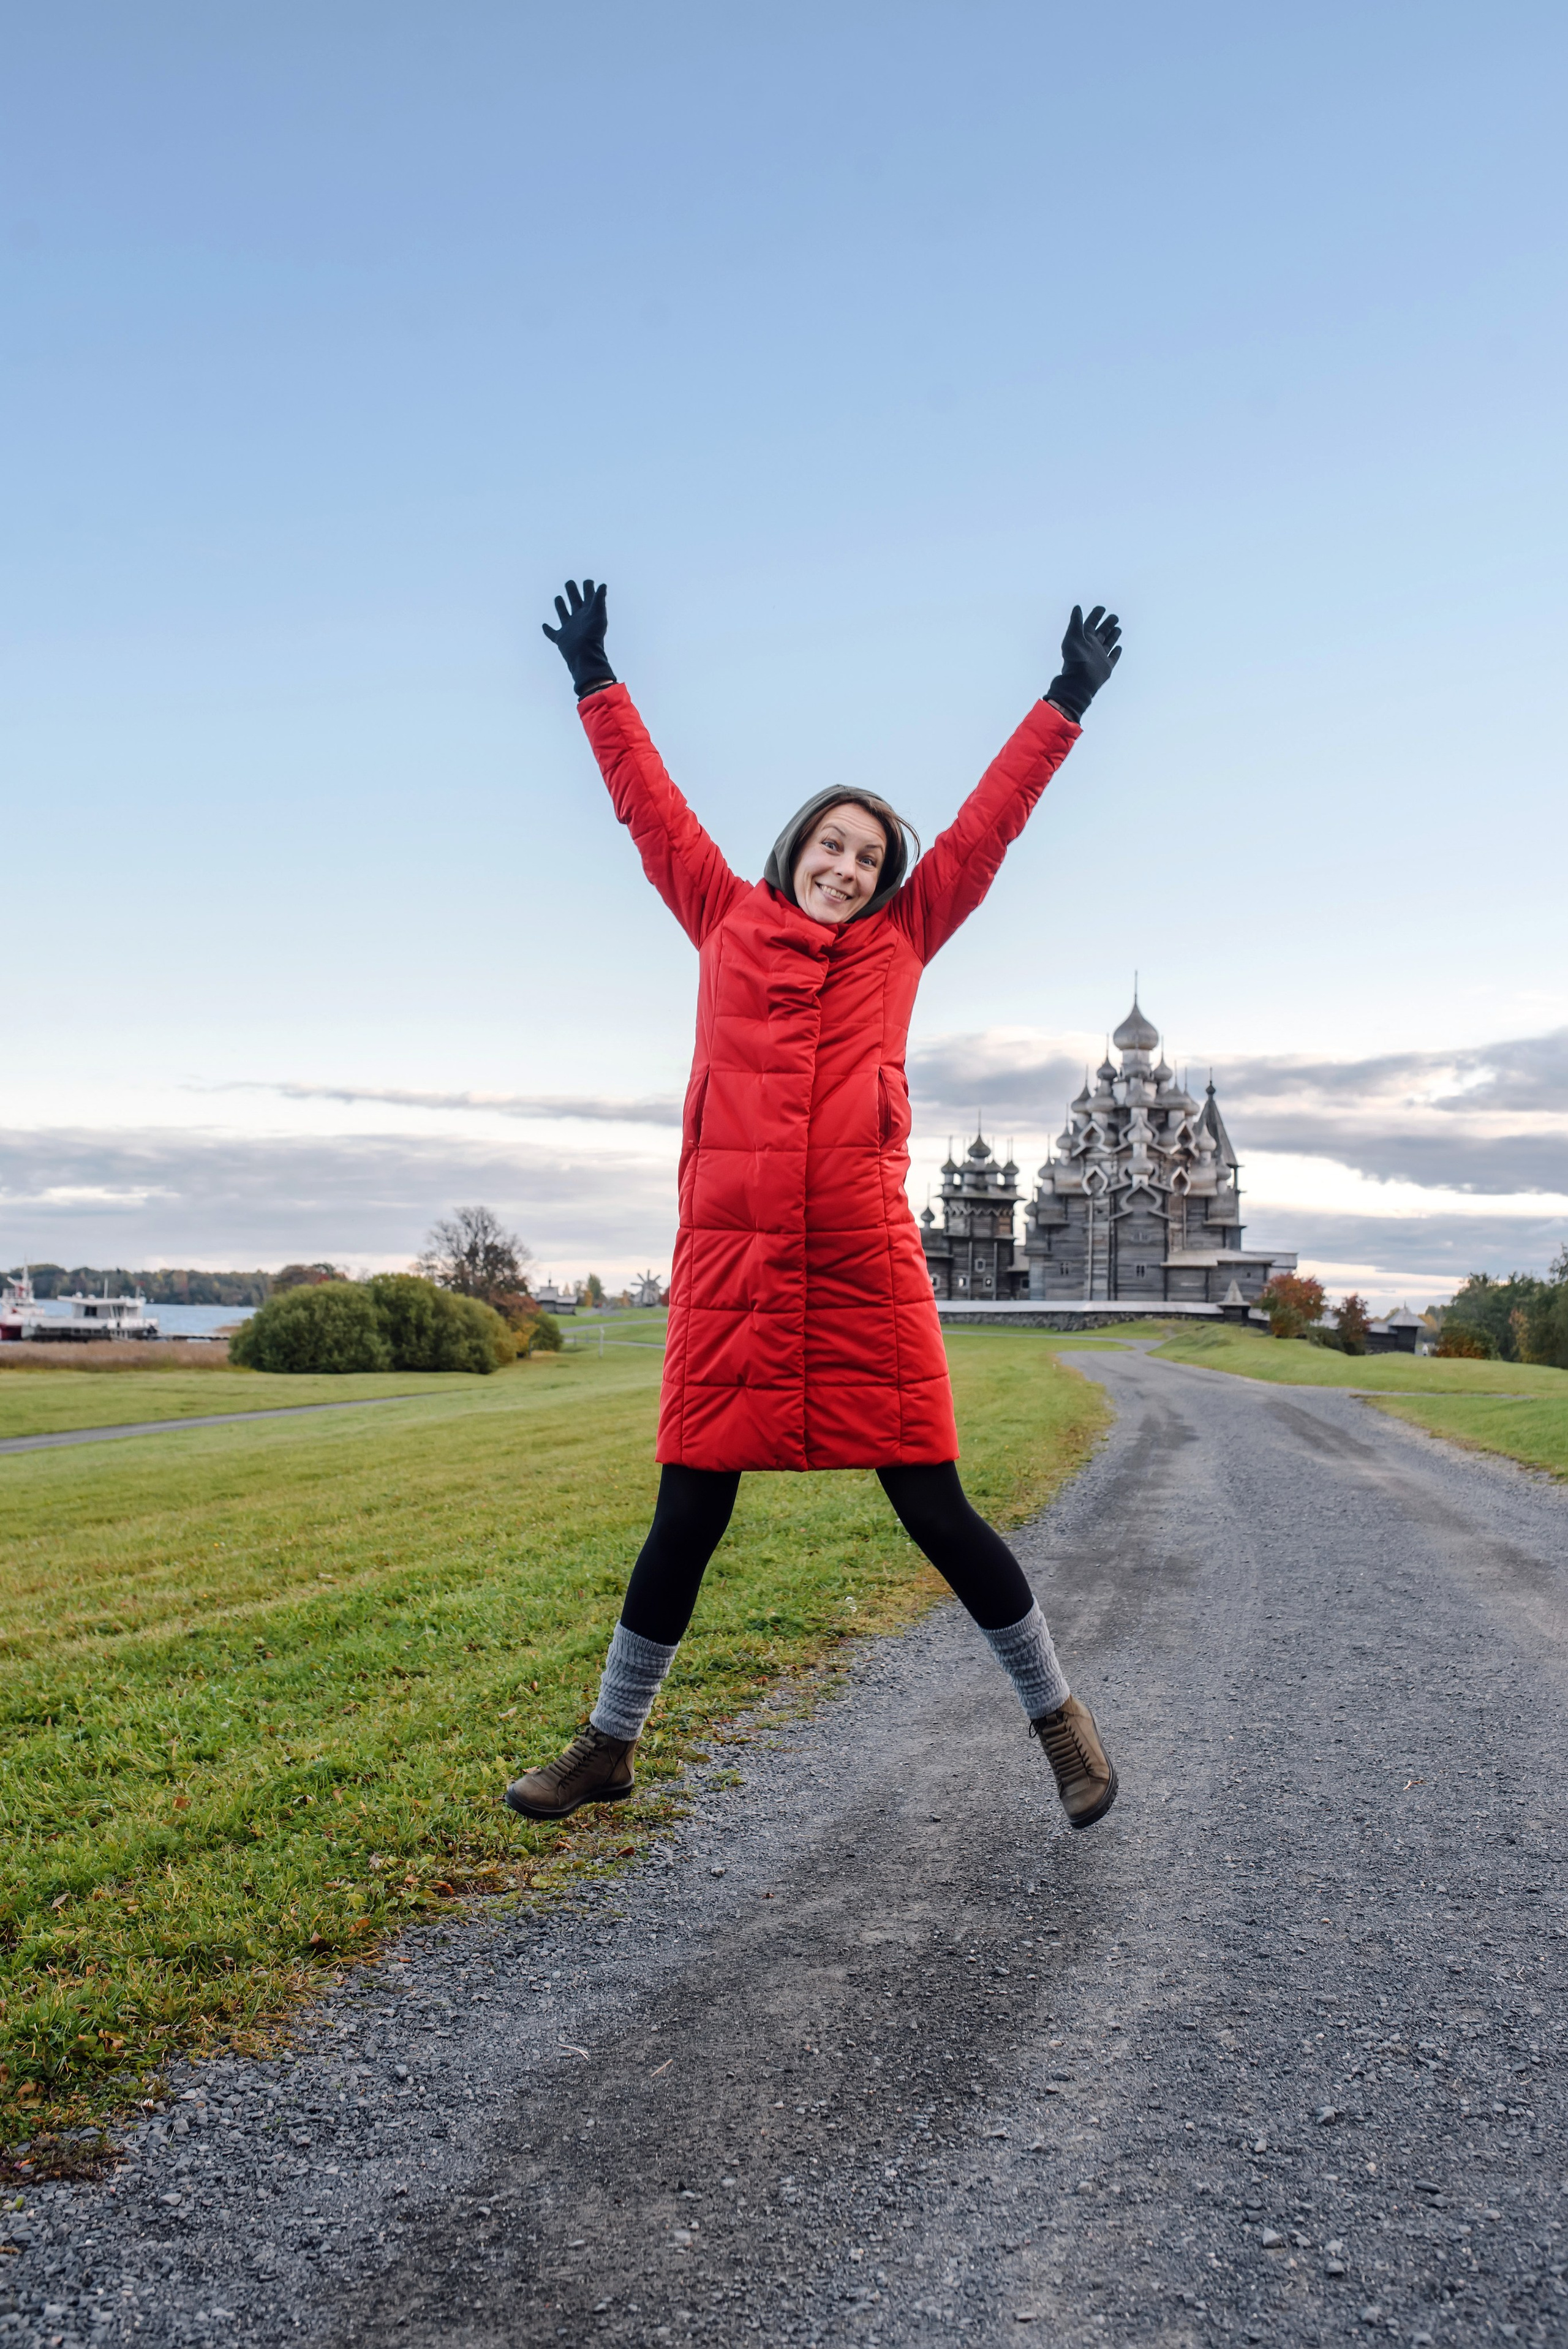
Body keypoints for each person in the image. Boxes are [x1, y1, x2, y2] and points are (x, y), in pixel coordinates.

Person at [507, 581, 1123, 1832]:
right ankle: (607, 1745)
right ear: (793, 848)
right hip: (731, 1277)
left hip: (862, 1272)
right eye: (830, 846)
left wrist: (1062, 701)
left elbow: (985, 831)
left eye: (866, 857)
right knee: (686, 1512)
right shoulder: (721, 917)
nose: (846, 868)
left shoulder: (901, 943)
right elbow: (645, 805)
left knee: (936, 1508)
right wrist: (593, 679)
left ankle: (1059, 1724)